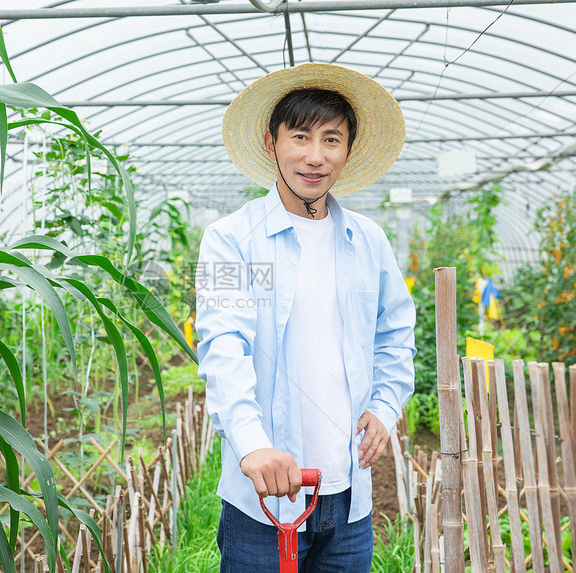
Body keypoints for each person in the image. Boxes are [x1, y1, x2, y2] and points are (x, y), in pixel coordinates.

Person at [194, 63, 416, 571]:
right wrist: (252, 447)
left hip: (350, 497)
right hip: (264, 500)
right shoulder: (233, 241)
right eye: (300, 137)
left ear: (348, 151)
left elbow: (396, 332)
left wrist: (385, 406)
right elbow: (224, 344)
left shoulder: (367, 242)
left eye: (331, 140)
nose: (315, 157)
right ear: (271, 144)